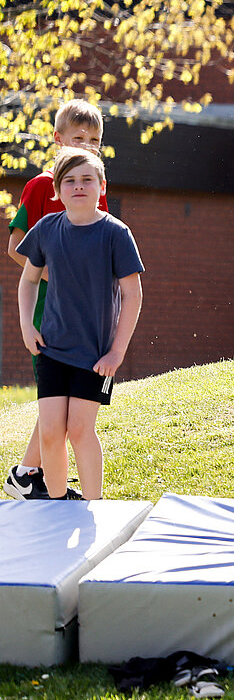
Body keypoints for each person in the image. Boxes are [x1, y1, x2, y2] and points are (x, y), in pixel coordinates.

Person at [14, 149, 144, 501]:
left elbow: (133, 294)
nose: (78, 186)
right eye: (69, 181)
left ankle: (93, 504)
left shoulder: (116, 233)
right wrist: (27, 326)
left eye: (87, 179)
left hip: (96, 356)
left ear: (102, 186)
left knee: (80, 430)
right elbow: (27, 282)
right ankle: (56, 504)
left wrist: (117, 352)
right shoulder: (47, 229)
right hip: (52, 350)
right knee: (51, 433)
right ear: (56, 190)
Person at [5, 100, 108, 500]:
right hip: (49, 309)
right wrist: (55, 275)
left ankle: (28, 474)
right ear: (58, 139)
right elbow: (16, 247)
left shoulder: (94, 184)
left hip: (87, 316)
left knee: (65, 406)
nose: (86, 146)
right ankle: (33, 477)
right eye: (78, 138)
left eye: (94, 141)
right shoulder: (39, 186)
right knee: (56, 401)